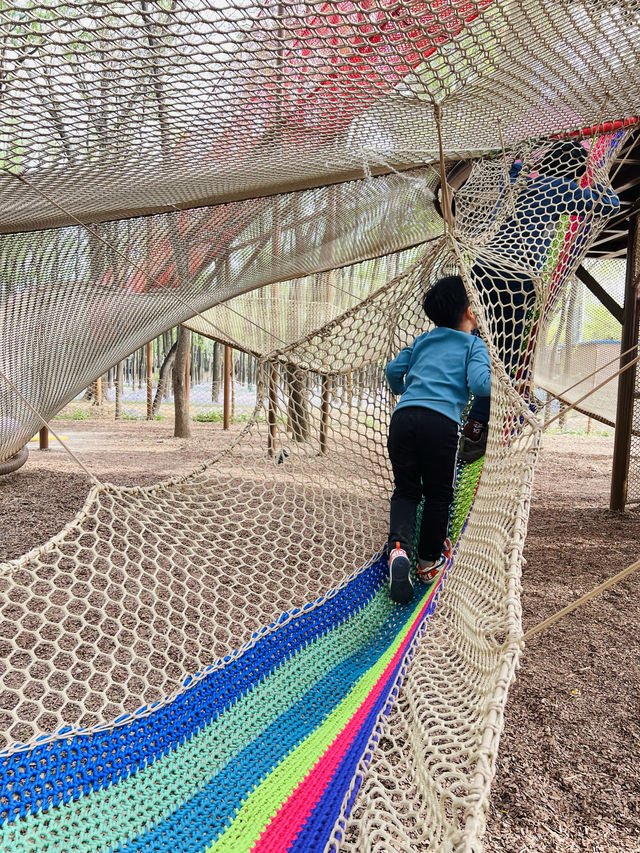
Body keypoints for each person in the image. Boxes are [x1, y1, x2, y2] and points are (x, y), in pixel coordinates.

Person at [459, 139, 620, 462]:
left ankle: (469, 425)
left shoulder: (519, 180)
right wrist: (599, 178)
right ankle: (488, 426)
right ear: (575, 171)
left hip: (483, 271)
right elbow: (610, 205)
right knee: (504, 359)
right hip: (517, 278)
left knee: (478, 348)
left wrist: (517, 161)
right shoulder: (566, 189)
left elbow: (509, 169)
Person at [385, 275, 491, 604]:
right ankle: (428, 561)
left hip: (402, 419)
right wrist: (498, 379)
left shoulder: (422, 341)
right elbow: (480, 385)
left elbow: (391, 371)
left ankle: (398, 551)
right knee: (438, 495)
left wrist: (405, 392)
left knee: (405, 490)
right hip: (441, 423)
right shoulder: (473, 345)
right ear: (471, 312)